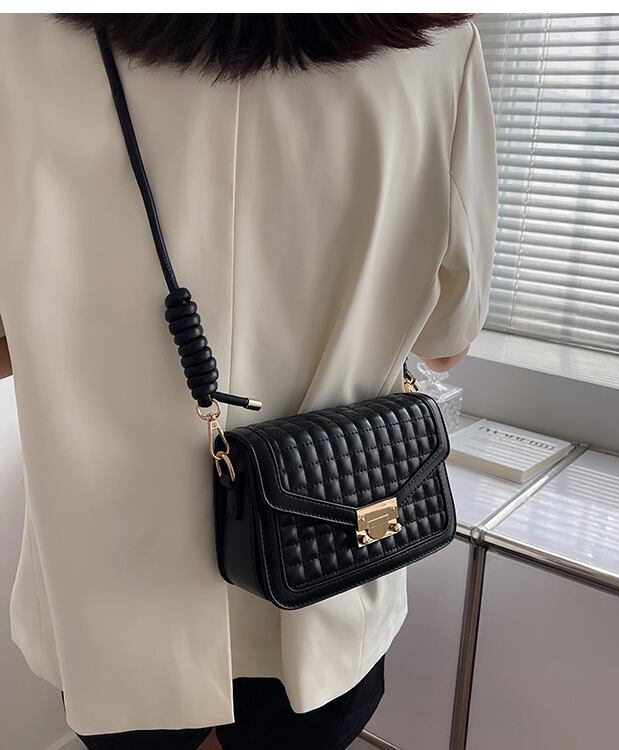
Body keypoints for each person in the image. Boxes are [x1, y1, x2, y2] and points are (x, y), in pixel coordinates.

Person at [0, 13, 496, 750]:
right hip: (330, 580)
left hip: (108, 605)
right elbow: (447, 341)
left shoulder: (19, 39)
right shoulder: (439, 42)